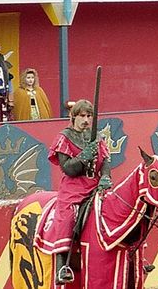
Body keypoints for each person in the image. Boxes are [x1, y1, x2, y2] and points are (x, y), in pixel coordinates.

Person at [34, 99, 111, 284]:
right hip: (74, 188)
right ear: (74, 117)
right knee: (67, 216)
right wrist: (84, 156)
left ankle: (134, 257)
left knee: (116, 209)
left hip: (96, 185)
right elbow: (68, 169)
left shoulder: (97, 137)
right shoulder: (64, 138)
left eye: (89, 116)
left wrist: (106, 177)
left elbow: (106, 160)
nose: (86, 120)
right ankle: (62, 265)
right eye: (82, 116)